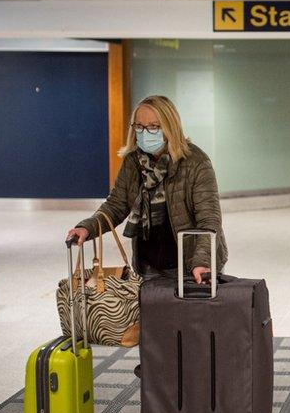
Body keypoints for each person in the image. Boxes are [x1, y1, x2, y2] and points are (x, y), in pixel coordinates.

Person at [65, 96, 229, 375]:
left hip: (189, 267)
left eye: (154, 126)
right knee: (155, 344)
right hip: (149, 266)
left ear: (169, 127)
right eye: (140, 126)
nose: (146, 132)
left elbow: (208, 220)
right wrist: (87, 227)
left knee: (189, 342)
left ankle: (194, 402)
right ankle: (159, 400)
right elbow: (116, 205)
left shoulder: (196, 163)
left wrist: (201, 262)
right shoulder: (134, 163)